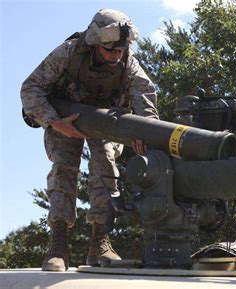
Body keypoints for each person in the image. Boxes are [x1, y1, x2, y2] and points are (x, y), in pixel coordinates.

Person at [21, 9, 159, 271]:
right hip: (64, 118)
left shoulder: (128, 61)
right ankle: (58, 245)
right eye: (109, 50)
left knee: (106, 167)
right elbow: (31, 88)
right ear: (96, 42)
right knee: (63, 169)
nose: (115, 55)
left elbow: (145, 97)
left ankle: (100, 243)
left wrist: (146, 134)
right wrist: (53, 121)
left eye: (120, 50)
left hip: (106, 120)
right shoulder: (68, 53)